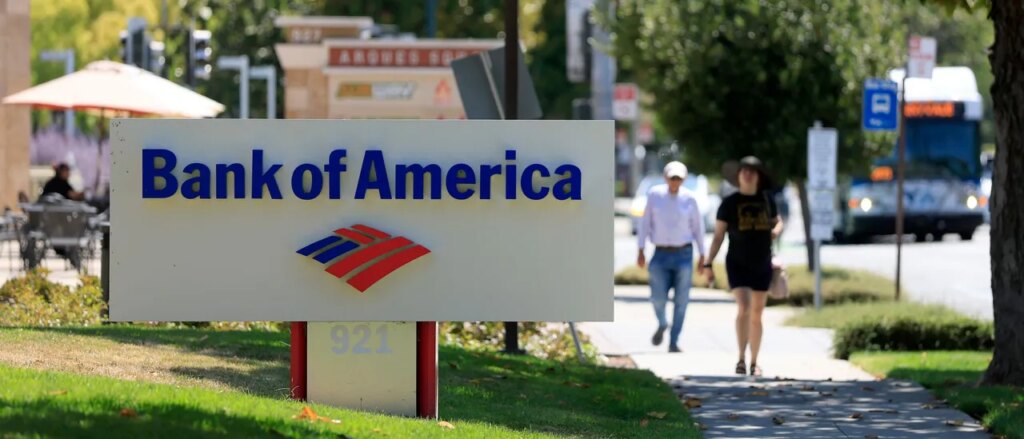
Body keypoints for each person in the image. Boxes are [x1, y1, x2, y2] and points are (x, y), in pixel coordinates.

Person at [704, 156, 783, 376]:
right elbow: (718, 236)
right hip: (737, 262)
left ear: (758, 177)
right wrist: (708, 263)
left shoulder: (767, 199)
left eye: (752, 171)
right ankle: (740, 359)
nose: (747, 174)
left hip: (762, 262)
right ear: (738, 176)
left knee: (757, 312)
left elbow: (777, 220)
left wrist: (777, 230)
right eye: (744, 171)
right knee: (745, 307)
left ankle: (754, 362)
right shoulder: (729, 203)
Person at [636, 161, 706, 353]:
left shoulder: (690, 199)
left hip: (684, 253)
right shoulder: (655, 195)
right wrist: (641, 249)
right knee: (657, 297)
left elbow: (698, 228)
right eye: (672, 178)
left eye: (678, 178)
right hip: (660, 253)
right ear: (666, 178)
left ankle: (674, 340)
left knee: (681, 301)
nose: (675, 182)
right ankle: (662, 323)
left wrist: (703, 255)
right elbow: (645, 223)